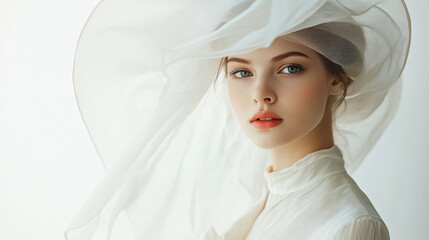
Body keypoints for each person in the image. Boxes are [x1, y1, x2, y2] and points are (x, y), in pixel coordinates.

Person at [65, 0, 411, 239]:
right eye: (241, 71)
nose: (261, 93)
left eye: (291, 68)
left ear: (337, 77)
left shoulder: (349, 227)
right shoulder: (254, 204)